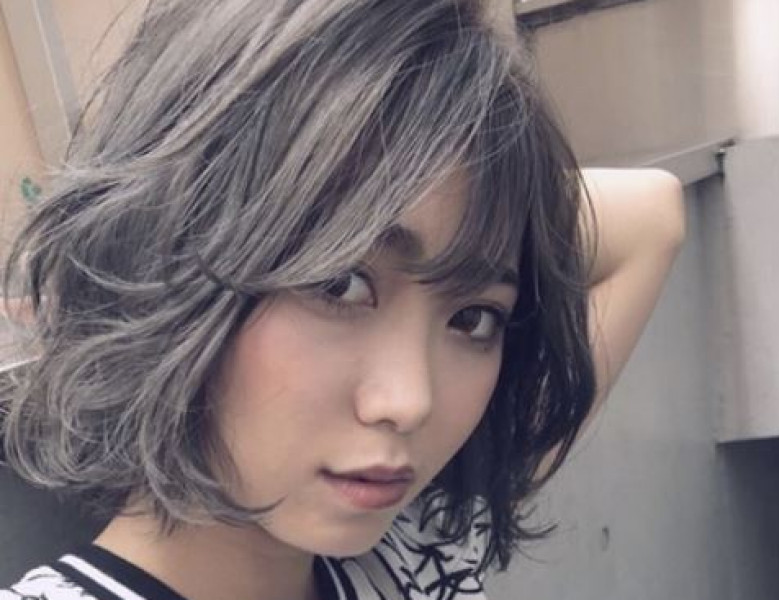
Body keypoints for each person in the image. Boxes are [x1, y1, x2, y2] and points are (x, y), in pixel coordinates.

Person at [0, 0, 685, 599]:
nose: (411, 402)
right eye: (339, 284)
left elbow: (655, 215)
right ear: (166, 251)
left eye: (473, 318)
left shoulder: (416, 551)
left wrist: (492, 206)